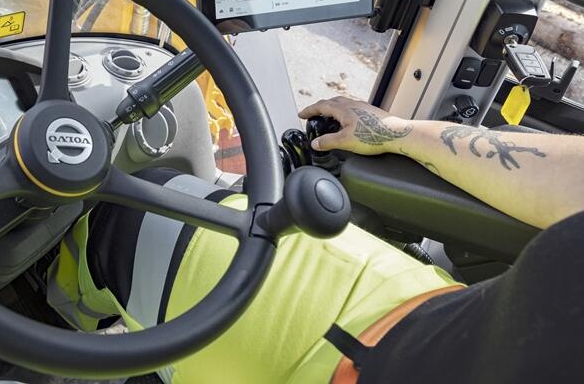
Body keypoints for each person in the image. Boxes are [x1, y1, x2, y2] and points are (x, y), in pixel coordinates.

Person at [44, 97, 584, 384]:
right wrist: (393, 130)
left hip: (332, 370)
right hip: (420, 304)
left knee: (118, 216)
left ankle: (52, 316)